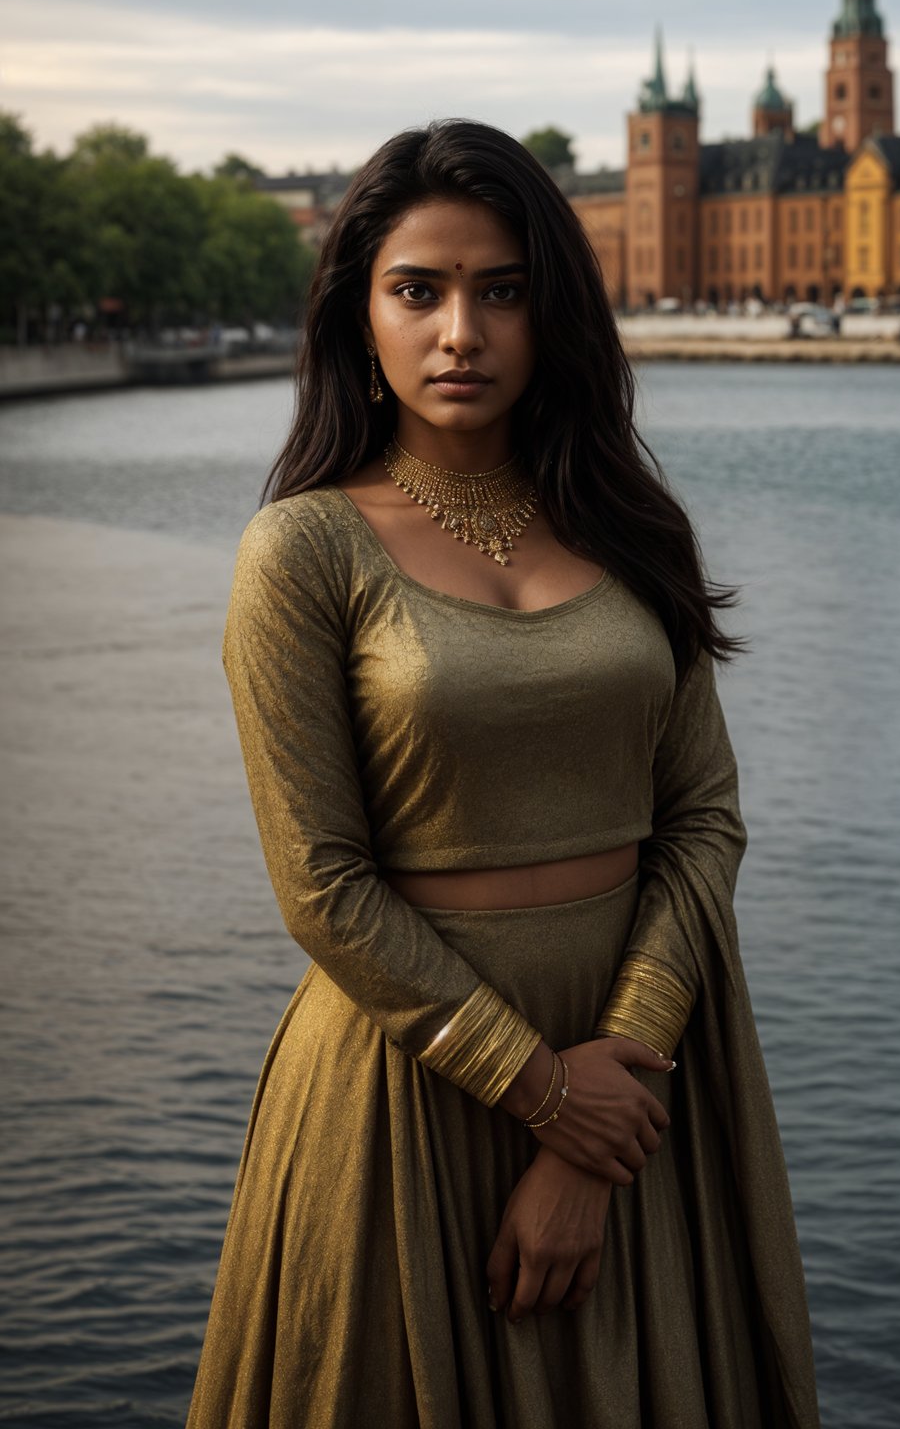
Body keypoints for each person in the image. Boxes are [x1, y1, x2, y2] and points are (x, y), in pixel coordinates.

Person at [186, 119, 820, 1428]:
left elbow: (701, 820)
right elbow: (322, 886)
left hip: (638, 1092)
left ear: (553, 314)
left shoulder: (630, 524)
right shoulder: (300, 554)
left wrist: (613, 1092)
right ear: (359, 315)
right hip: (408, 1088)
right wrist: (546, 1093)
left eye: (503, 290)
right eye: (418, 290)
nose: (460, 332)